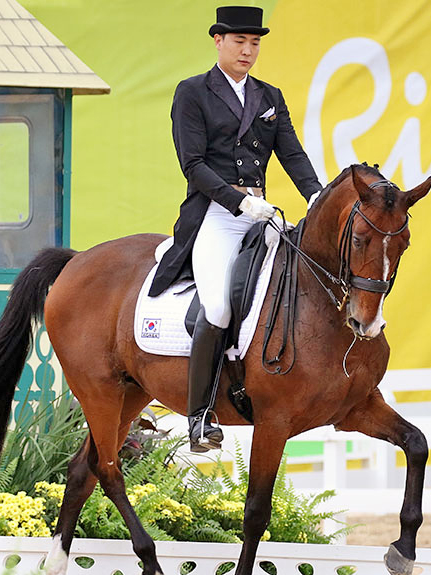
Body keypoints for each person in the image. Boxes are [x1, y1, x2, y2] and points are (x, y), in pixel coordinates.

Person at [148, 6, 323, 452]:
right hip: (216, 215)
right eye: (240, 42)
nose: (248, 50)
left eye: (255, 43)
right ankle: (200, 416)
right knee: (219, 307)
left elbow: (293, 155)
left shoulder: (270, 97)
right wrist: (238, 199)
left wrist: (317, 196)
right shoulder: (193, 92)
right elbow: (193, 165)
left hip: (261, 213)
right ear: (218, 41)